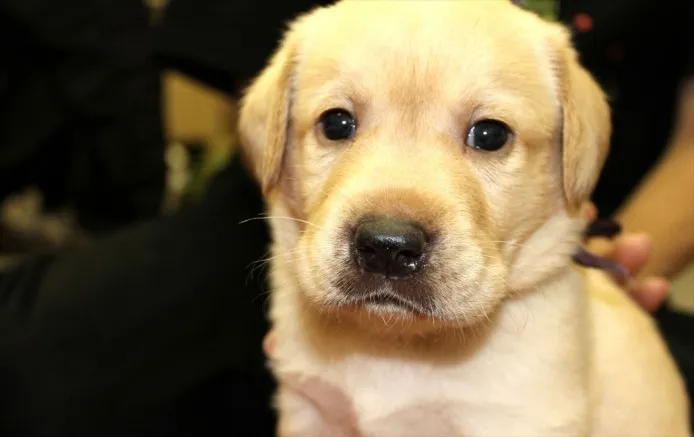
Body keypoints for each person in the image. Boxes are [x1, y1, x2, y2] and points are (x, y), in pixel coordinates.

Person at [0, 0, 691, 436]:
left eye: (489, 135)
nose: (393, 214)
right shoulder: (312, 43)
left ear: (577, 152)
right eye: (337, 123)